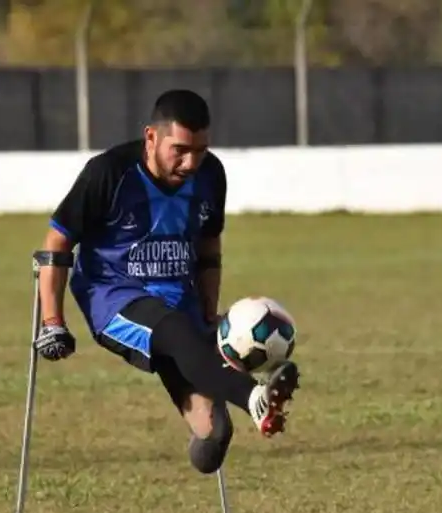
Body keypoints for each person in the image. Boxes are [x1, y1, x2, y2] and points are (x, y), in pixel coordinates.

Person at [31, 88, 301, 476]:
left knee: (214, 432)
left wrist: (209, 309)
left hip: (180, 298)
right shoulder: (108, 172)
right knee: (172, 330)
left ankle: (224, 425)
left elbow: (209, 244)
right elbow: (57, 242)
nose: (191, 162)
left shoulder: (211, 174)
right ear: (151, 137)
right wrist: (52, 323)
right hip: (113, 296)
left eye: (201, 150)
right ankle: (253, 396)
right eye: (180, 150)